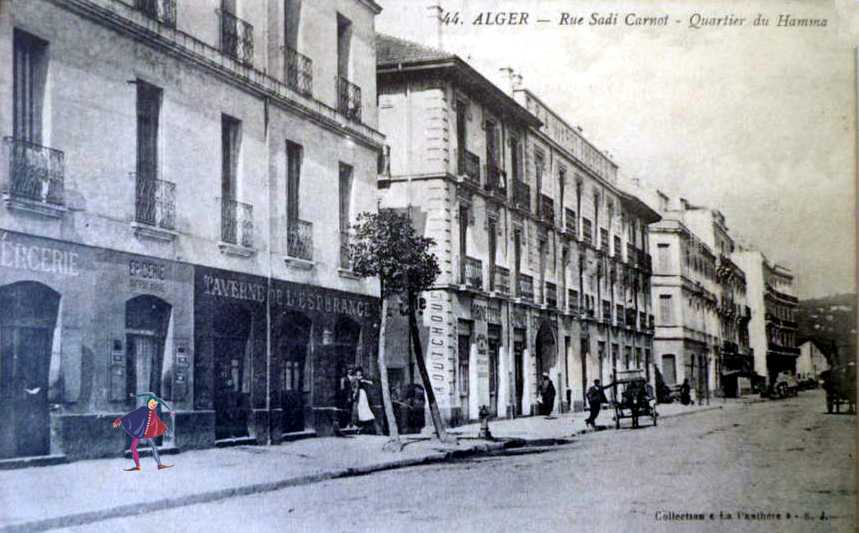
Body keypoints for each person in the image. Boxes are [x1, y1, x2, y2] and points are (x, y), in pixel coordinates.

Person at [112, 392, 174, 471]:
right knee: (133, 447)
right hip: (140, 431)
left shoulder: (153, 413)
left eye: (155, 404)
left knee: (153, 447)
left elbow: (158, 420)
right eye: (152, 403)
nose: (153, 405)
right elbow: (131, 415)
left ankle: (159, 464)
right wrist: (119, 420)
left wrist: (170, 411)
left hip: (147, 433)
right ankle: (138, 466)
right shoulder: (143, 409)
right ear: (148, 402)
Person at [353, 368, 382, 434]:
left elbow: (371, 383)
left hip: (363, 394)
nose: (359, 375)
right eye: (357, 374)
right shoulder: (355, 379)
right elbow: (355, 388)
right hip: (358, 394)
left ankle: (365, 423)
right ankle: (359, 424)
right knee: (358, 409)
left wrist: (364, 381)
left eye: (360, 373)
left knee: (364, 407)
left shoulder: (364, 379)